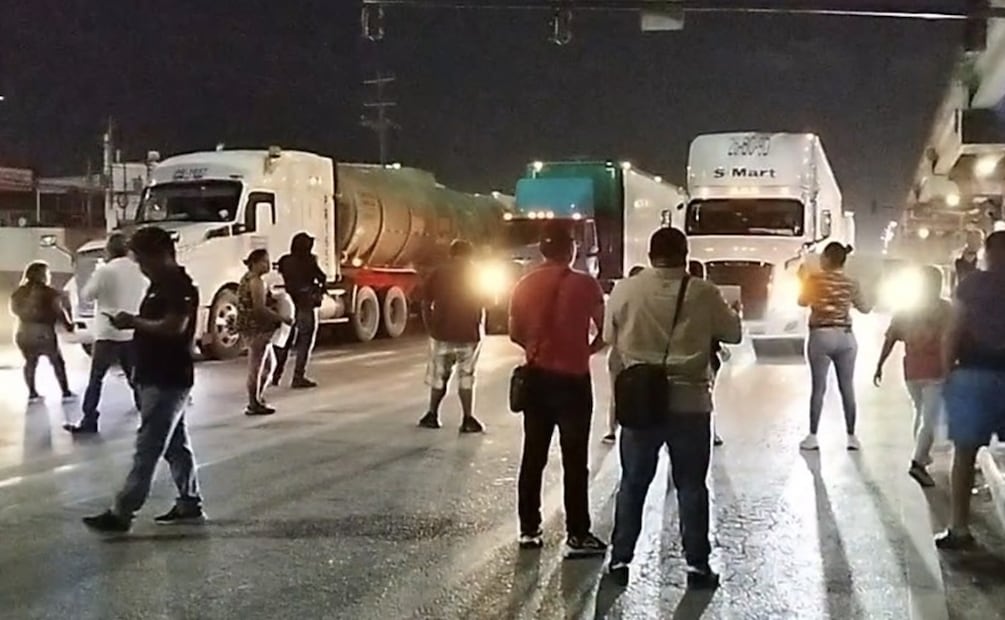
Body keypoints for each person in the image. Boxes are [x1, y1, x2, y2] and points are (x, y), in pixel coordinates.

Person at [605, 227, 742, 588]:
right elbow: (734, 334)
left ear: (650, 256)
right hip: (690, 404)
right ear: (685, 254)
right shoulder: (703, 291)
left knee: (633, 483)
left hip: (640, 403)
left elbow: (609, 337)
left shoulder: (626, 289)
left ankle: (619, 562)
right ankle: (697, 567)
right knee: (691, 487)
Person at [83, 226, 204, 533]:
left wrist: (133, 321)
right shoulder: (162, 283)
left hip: (167, 378)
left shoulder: (177, 285)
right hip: (158, 375)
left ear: (160, 254)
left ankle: (122, 511)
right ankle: (189, 502)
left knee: (148, 446)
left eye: (143, 259)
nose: (141, 266)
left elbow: (175, 326)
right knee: (175, 445)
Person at [509, 222, 607, 557]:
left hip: (537, 378)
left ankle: (529, 529)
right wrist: (587, 349)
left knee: (533, 456)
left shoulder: (523, 284)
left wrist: (536, 348)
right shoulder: (586, 284)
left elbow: (514, 332)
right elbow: (605, 329)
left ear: (542, 250)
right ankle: (577, 534)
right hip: (574, 381)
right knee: (575, 460)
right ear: (572, 250)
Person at [937, 231, 1005, 549]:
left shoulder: (972, 285)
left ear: (988, 254)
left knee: (964, 455)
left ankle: (959, 529)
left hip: (973, 373)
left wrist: (948, 371)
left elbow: (953, 329)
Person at [873, 265, 952, 488]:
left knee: (920, 411)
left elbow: (890, 339)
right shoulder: (945, 309)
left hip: (911, 372)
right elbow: (954, 339)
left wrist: (879, 365)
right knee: (930, 418)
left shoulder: (905, 310)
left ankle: (922, 454)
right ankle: (918, 462)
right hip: (936, 371)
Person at [66, 232, 147, 434]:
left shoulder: (105, 271)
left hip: (107, 332)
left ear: (109, 250)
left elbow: (87, 294)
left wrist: (100, 278)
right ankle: (147, 416)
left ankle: (89, 419)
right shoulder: (140, 270)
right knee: (135, 377)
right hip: (131, 331)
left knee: (96, 378)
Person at [797, 243, 872, 451]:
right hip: (846, 338)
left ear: (828, 259)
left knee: (818, 388)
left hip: (821, 336)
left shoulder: (814, 280)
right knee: (847, 387)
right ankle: (851, 436)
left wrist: (803, 280)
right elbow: (865, 308)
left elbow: (802, 301)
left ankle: (812, 436)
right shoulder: (851, 283)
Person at [418, 239, 485, 433]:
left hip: (441, 333)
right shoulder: (477, 273)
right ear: (470, 255)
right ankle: (467, 419)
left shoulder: (439, 273)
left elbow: (425, 301)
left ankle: (432, 415)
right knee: (466, 376)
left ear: (451, 253)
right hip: (469, 333)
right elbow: (489, 301)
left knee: (439, 376)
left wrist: (430, 325)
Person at [9, 261, 74, 402]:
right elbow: (58, 310)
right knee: (57, 361)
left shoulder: (18, 292)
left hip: (23, 330)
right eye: (47, 272)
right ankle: (66, 392)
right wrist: (68, 325)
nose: (48, 275)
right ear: (42, 275)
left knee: (30, 362)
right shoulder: (50, 292)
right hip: (43, 331)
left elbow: (13, 310)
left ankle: (32, 393)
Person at [237, 249, 289, 416]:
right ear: (255, 263)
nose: (268, 264)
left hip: (250, 327)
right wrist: (282, 318)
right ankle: (254, 402)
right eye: (264, 261)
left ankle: (257, 398)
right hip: (257, 328)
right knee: (257, 365)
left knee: (268, 364)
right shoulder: (256, 282)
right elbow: (260, 309)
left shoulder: (246, 279)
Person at [272, 232, 326, 389]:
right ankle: (298, 376)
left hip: (289, 303)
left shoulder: (285, 261)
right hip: (305, 304)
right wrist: (319, 289)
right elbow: (321, 276)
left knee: (285, 341)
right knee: (305, 340)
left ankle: (275, 374)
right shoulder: (309, 260)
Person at [602, 264, 646, 445]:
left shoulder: (619, 298)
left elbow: (607, 335)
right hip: (641, 354)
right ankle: (637, 427)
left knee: (616, 392)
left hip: (619, 352)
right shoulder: (647, 302)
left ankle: (612, 430)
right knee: (640, 392)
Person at [687, 259, 728, 447]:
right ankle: (711, 432)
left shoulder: (680, 294)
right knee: (707, 394)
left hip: (684, 352)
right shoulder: (708, 294)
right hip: (706, 356)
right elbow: (718, 328)